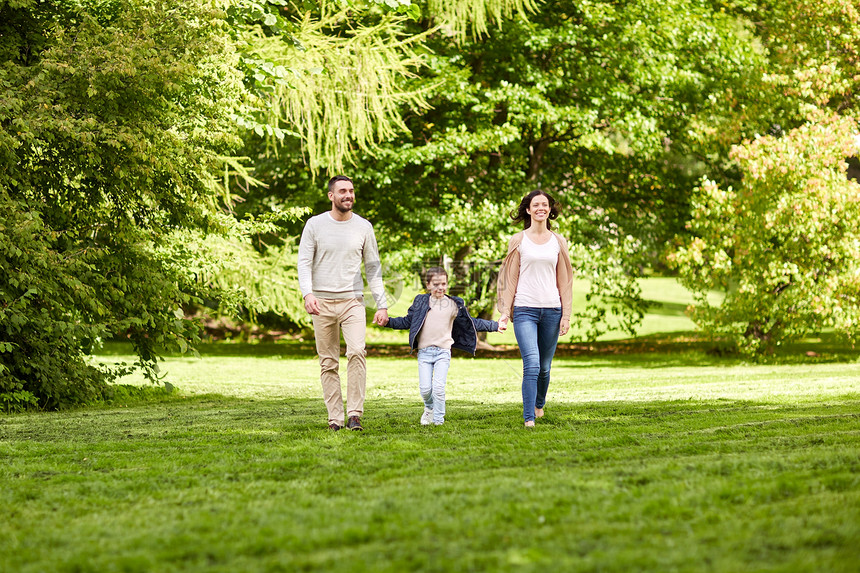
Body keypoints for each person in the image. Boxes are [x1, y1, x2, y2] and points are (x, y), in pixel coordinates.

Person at [297, 175, 389, 431]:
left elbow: (373, 268)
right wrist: (308, 293)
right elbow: (304, 262)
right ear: (331, 196)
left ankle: (354, 415)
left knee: (357, 352)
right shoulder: (314, 225)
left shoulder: (363, 227)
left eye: (351, 191)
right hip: (321, 302)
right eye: (342, 191)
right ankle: (335, 418)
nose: (348, 195)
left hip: (352, 301)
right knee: (328, 362)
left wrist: (381, 304)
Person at [381, 267, 505, 426]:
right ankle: (429, 408)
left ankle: (438, 420)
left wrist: (494, 325)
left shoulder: (454, 305)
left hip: (443, 353)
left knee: (438, 388)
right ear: (428, 285)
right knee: (425, 389)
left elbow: (471, 323)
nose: (440, 287)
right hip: (424, 353)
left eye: (443, 284)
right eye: (436, 284)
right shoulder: (421, 302)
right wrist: (388, 322)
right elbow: (407, 321)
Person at [496, 190, 573, 428]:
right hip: (524, 309)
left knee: (545, 368)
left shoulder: (558, 242)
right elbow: (511, 278)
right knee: (531, 363)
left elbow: (565, 281)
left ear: (550, 210)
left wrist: (566, 315)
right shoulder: (518, 240)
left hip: (551, 310)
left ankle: (539, 404)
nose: (541, 208)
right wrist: (505, 312)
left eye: (545, 204)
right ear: (528, 210)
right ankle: (529, 417)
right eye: (535, 204)